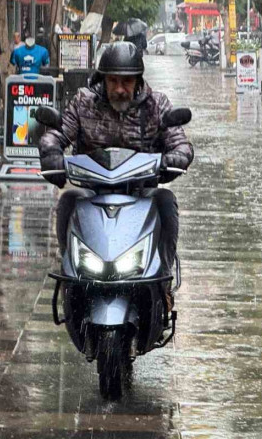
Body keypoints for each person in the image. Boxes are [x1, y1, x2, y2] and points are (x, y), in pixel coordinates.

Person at [39, 42, 193, 286]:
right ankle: (69, 270)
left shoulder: (157, 105)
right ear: (103, 79)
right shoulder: (83, 102)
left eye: (127, 82)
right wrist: (51, 152)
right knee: (68, 200)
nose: (120, 89)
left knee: (166, 200)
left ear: (138, 80)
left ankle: (163, 277)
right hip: (92, 190)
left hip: (141, 191)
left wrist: (174, 158)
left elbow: (180, 143)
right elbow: (58, 133)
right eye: (113, 81)